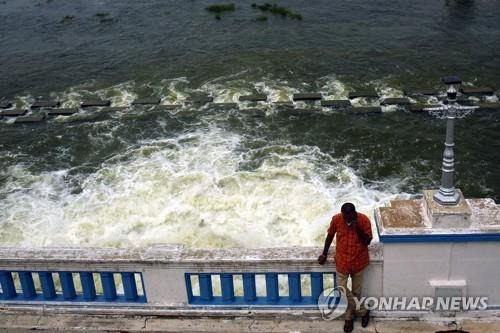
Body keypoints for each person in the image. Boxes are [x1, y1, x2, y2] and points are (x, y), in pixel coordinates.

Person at [318, 202, 373, 333]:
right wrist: (324, 253)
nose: (346, 219)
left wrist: (357, 227)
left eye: (349, 216)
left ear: (354, 213)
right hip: (342, 260)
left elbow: (367, 241)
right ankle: (363, 311)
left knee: (356, 292)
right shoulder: (337, 219)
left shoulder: (364, 220)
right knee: (342, 289)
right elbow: (330, 236)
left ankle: (349, 317)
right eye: (345, 216)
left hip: (359, 261)